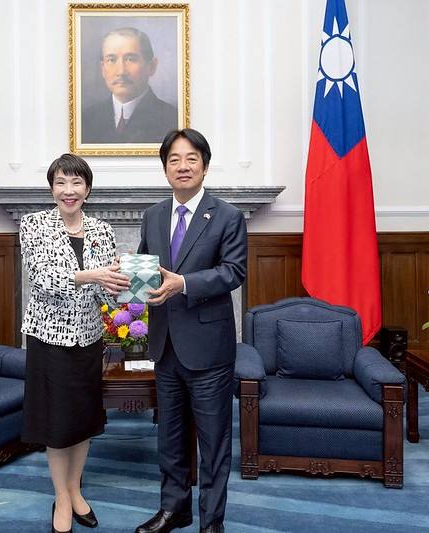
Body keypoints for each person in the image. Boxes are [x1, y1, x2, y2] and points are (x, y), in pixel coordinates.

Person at [135, 129, 247, 533]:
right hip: (165, 345)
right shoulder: (152, 215)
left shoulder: (227, 216)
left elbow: (233, 272)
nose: (182, 166)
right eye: (174, 160)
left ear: (205, 164)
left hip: (209, 348)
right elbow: (149, 271)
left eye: (191, 159)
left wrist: (182, 284)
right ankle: (174, 508)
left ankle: (211, 521)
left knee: (213, 441)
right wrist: (137, 286)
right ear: (165, 168)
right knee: (170, 436)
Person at [19, 153, 130, 533]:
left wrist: (124, 286)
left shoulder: (101, 229)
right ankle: (62, 498)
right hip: (49, 337)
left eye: (77, 183)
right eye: (61, 182)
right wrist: (94, 275)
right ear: (52, 188)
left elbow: (108, 290)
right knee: (57, 421)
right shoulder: (33, 225)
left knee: (82, 419)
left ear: (88, 188)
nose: (69, 191)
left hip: (88, 336)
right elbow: (43, 278)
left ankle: (75, 488)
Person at [82, 27, 178, 144]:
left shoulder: (172, 119)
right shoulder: (85, 119)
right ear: (102, 68)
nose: (121, 71)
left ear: (151, 66)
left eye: (130, 59)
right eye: (111, 60)